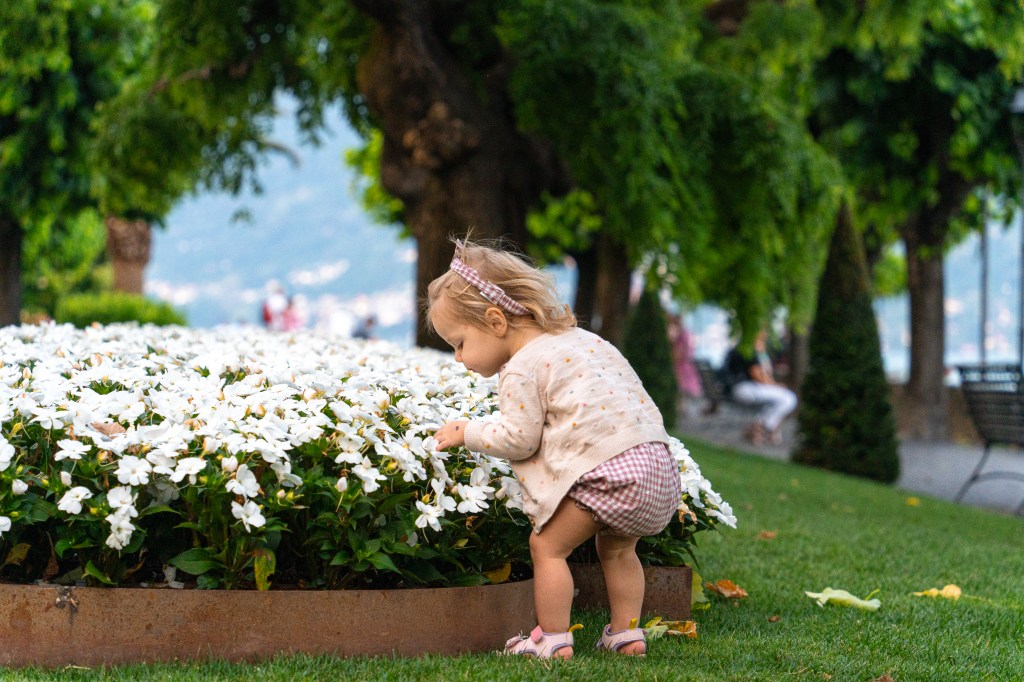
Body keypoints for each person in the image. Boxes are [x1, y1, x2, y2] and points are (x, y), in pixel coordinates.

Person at [429, 239, 681, 659]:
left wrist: (466, 431)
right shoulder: (583, 340)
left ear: (495, 321)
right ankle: (627, 635)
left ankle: (552, 639)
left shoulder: (523, 366)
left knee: (547, 547)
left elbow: (518, 438)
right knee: (618, 549)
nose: (458, 358)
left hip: (609, 470)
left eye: (458, 343)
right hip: (656, 467)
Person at [723, 329, 798, 445]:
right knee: (788, 398)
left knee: (779, 400)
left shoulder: (749, 349)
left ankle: (760, 427)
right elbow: (757, 375)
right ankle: (763, 427)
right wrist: (776, 386)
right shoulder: (750, 351)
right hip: (744, 388)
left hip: (741, 388)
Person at [667, 313, 702, 413]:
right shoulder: (686, 334)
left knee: (680, 389)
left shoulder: (681, 335)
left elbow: (679, 354)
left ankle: (681, 409)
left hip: (682, 367)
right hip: (687, 367)